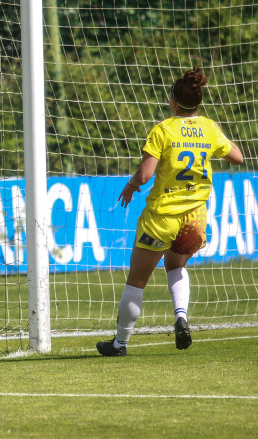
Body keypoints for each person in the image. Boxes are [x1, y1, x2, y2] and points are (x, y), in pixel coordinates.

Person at [97, 67, 243, 357]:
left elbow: (144, 176)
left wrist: (129, 186)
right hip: (195, 218)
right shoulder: (209, 128)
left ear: (173, 102)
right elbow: (238, 157)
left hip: (162, 216)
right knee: (176, 267)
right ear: (198, 102)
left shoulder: (163, 129)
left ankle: (120, 344)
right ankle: (181, 318)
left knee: (137, 280)